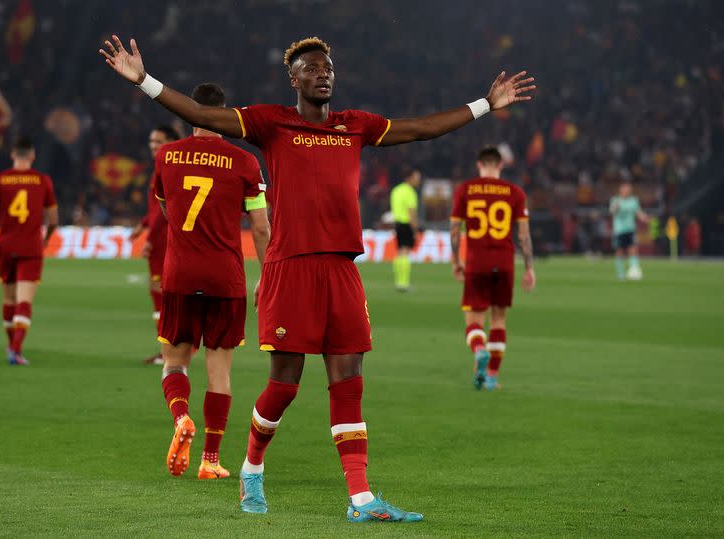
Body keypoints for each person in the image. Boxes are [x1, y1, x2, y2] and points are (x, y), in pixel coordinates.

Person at [100, 33, 534, 523]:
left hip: (342, 270)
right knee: (284, 385)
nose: (323, 73)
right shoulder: (270, 122)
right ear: (295, 79)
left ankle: (362, 498)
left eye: (328, 67)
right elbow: (205, 117)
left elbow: (420, 129)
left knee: (349, 382)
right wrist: (145, 82)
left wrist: (484, 104)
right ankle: (252, 470)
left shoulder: (356, 126)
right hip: (291, 268)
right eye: (312, 68)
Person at [153, 83, 270, 481]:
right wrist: (267, 274)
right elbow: (260, 228)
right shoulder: (245, 162)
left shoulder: (166, 156)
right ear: (223, 113)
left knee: (174, 362)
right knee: (220, 372)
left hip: (180, 274)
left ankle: (182, 417)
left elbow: (168, 208)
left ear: (189, 113)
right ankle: (210, 459)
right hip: (226, 278)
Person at [450, 147, 535, 391]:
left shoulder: (466, 189)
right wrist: (529, 268)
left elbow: (455, 230)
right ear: (500, 165)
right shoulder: (515, 193)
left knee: (473, 321)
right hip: (505, 263)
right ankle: (491, 378)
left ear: (479, 165)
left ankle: (479, 349)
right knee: (498, 320)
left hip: (477, 263)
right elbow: (524, 236)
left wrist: (456, 261)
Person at [0, 137, 59, 366]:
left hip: (6, 245)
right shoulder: (42, 180)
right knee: (24, 300)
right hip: (31, 246)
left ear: (13, 155)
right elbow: (53, 218)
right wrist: (46, 238)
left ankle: (10, 346)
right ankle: (16, 349)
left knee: (8, 299)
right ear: (32, 156)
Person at [129, 125, 180, 365]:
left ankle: (169, 351)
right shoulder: (165, 166)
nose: (152, 147)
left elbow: (164, 211)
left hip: (163, 240)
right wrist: (143, 224)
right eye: (151, 143)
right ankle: (170, 348)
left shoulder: (169, 167)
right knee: (160, 293)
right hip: (163, 237)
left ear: (170, 142)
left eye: (157, 142)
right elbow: (154, 211)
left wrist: (149, 240)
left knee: (161, 295)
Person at [609, 182, 649, 280]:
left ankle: (634, 270)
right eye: (625, 189)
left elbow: (638, 212)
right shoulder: (615, 200)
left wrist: (646, 218)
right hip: (619, 230)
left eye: (629, 189)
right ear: (621, 190)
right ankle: (621, 273)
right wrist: (616, 208)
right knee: (619, 252)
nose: (627, 191)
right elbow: (612, 212)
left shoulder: (633, 201)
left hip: (630, 229)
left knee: (633, 249)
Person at [389, 170, 421, 291]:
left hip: (397, 223)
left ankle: (398, 281)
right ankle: (404, 283)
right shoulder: (410, 192)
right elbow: (411, 212)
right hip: (406, 224)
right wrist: (415, 229)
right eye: (416, 177)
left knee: (400, 252)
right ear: (409, 178)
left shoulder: (396, 190)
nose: (418, 180)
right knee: (405, 252)